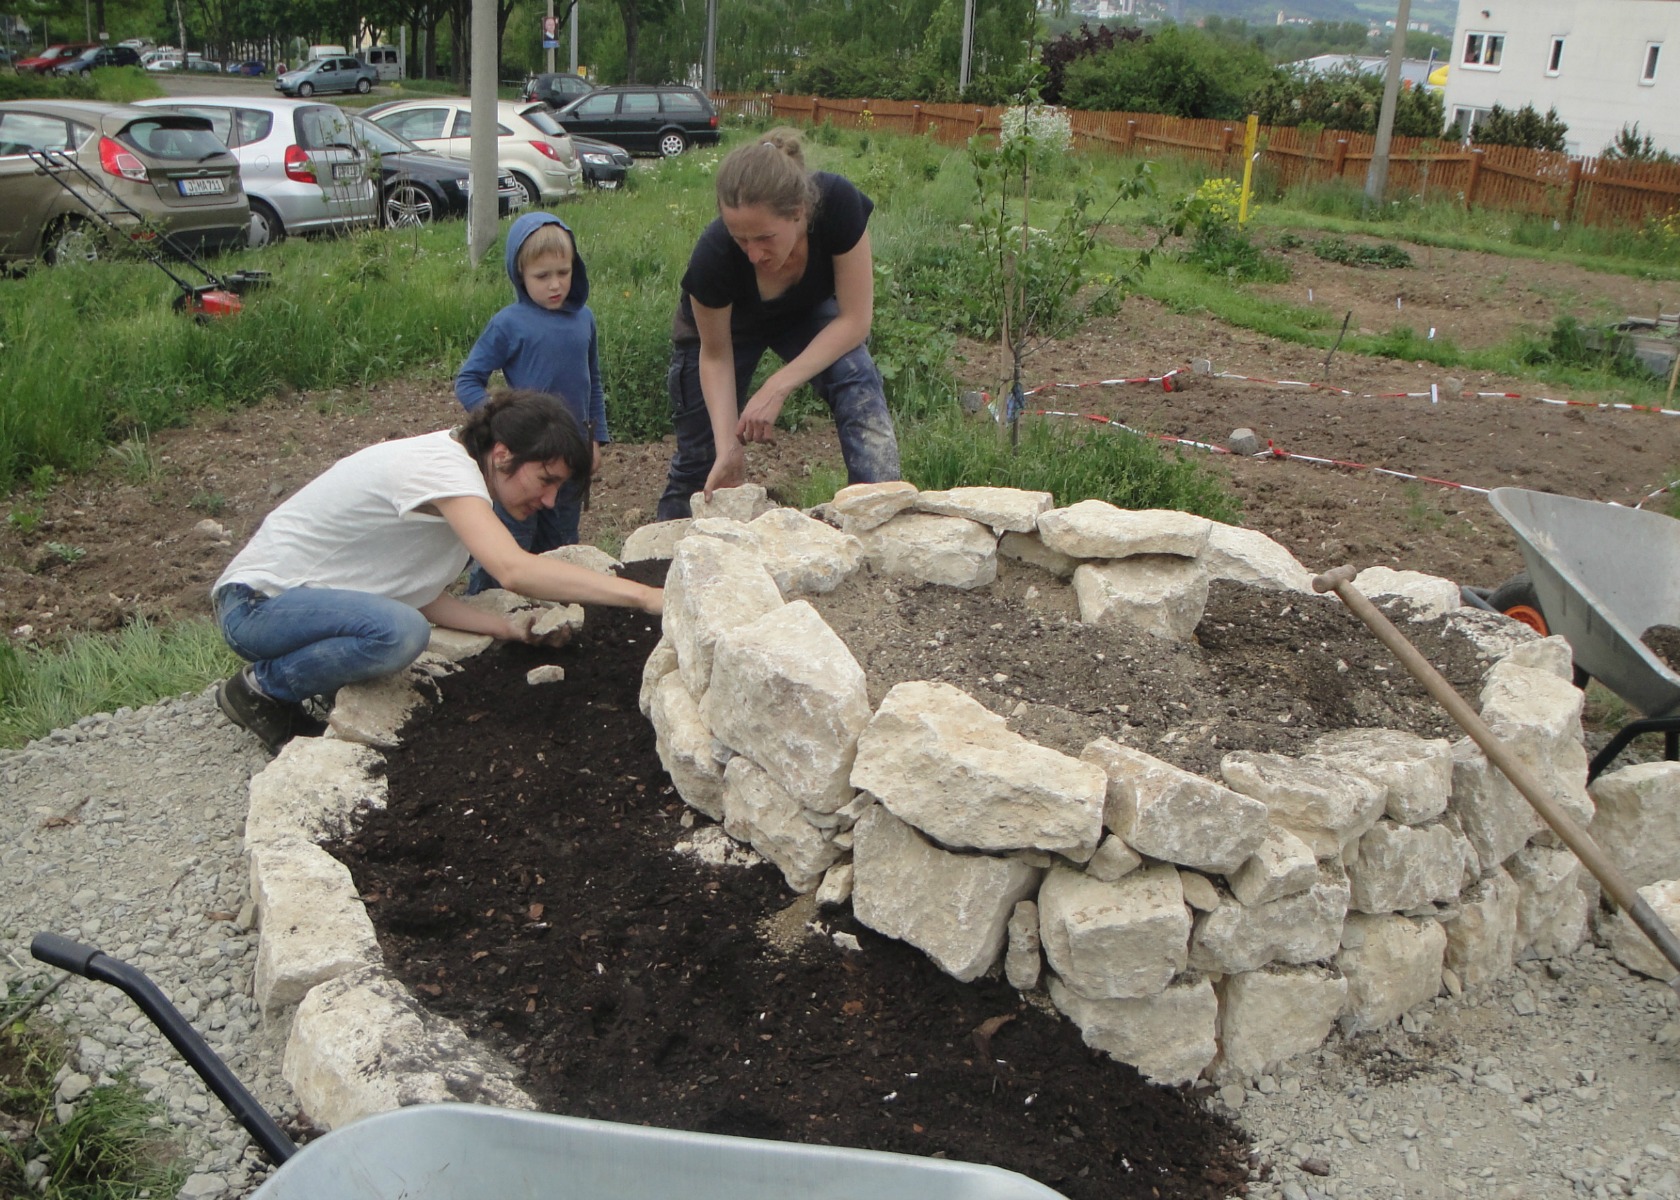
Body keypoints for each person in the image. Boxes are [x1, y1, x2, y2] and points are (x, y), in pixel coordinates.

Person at [211, 389, 661, 755]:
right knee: (399, 632)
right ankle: (260, 690)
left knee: (398, 623)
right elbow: (512, 571)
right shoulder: (446, 470)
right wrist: (643, 596)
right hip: (255, 606)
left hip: (284, 607)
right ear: (502, 454)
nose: (548, 501)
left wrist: (508, 629)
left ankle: (298, 685)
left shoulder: (461, 481)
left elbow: (419, 593)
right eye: (546, 480)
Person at [656, 126, 900, 521]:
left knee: (856, 379)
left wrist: (777, 385)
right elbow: (715, 356)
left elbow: (855, 321)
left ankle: (878, 512)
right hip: (725, 331)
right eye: (740, 239)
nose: (752, 254)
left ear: (799, 213)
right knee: (701, 458)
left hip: (802, 312)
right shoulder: (713, 258)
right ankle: (662, 561)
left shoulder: (837, 204)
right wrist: (728, 447)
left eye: (765, 237)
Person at [457, 212, 609, 590]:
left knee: (560, 546)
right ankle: (488, 613)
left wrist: (595, 439)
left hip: (570, 461)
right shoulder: (509, 324)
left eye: (564, 272)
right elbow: (468, 379)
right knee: (509, 548)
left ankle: (550, 618)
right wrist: (500, 425)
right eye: (542, 276)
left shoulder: (584, 320)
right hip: (524, 466)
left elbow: (592, 382)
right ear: (520, 275)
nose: (555, 285)